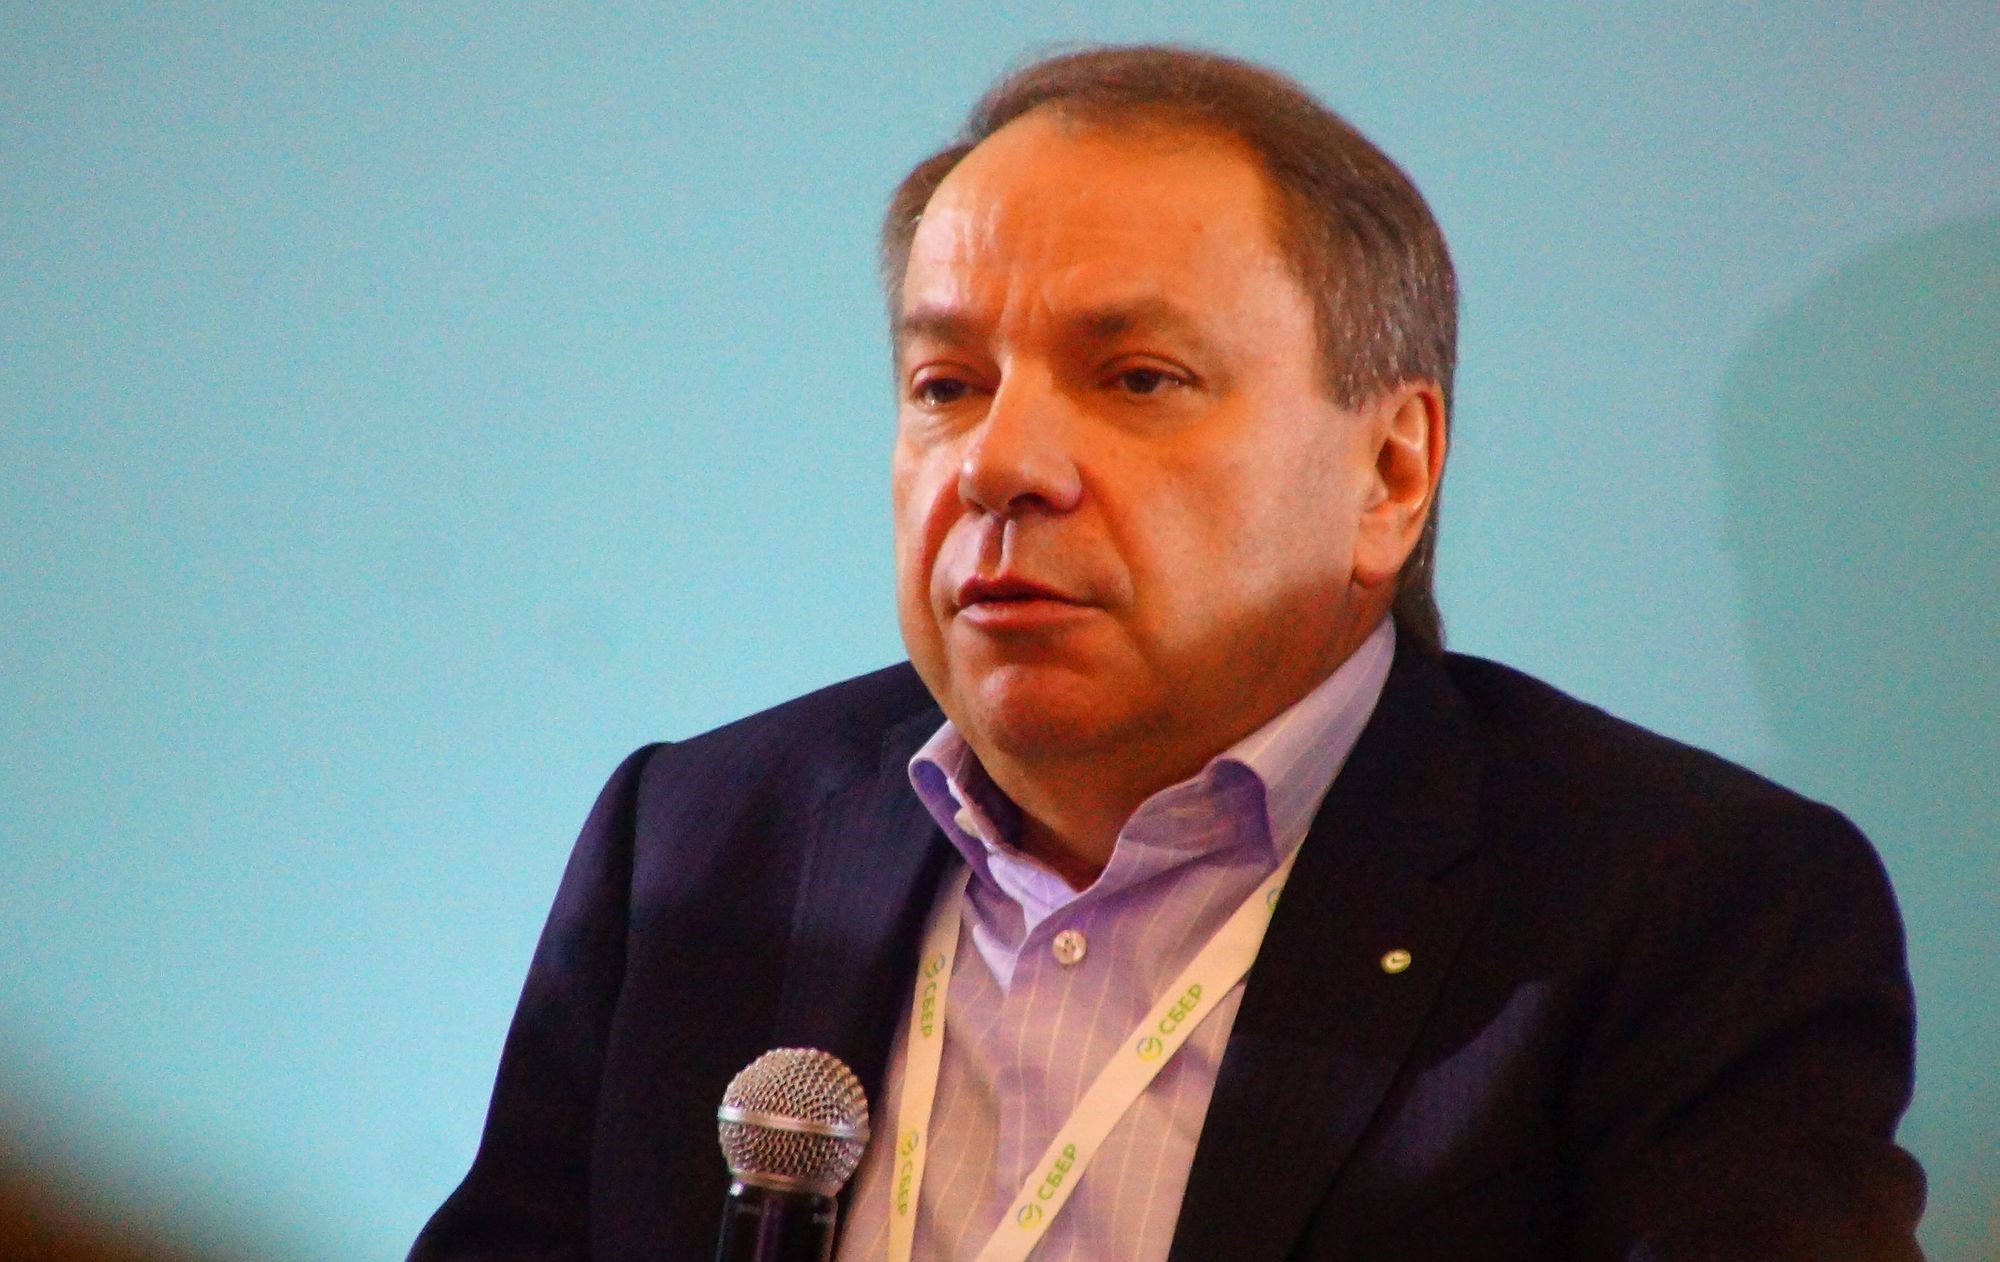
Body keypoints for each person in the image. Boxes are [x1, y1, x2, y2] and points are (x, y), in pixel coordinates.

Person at [409, 45, 1924, 1262]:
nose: (1001, 464)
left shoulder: (1688, 912)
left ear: (1390, 472)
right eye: (945, 383)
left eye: (1136, 377)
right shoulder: (695, 849)